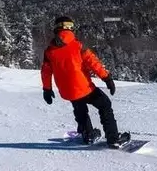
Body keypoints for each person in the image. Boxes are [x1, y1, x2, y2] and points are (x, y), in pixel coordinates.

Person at [41, 16, 130, 148]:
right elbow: (93, 63)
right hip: (85, 87)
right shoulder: (78, 45)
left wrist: (47, 89)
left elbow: (46, 71)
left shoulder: (49, 51)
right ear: (71, 28)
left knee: (80, 110)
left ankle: (88, 134)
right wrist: (106, 78)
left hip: (68, 91)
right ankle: (113, 138)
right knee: (105, 105)